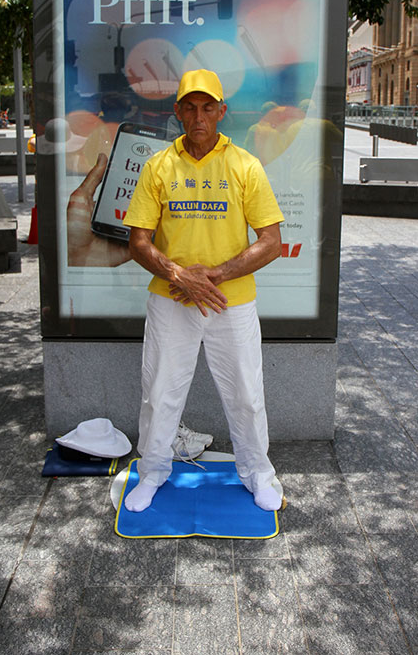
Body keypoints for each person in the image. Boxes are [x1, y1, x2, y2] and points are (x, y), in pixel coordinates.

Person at [122, 69, 284, 513]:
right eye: (189, 108)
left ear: (221, 112)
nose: (199, 116)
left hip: (230, 301)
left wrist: (210, 276)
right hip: (171, 300)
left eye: (208, 107)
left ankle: (258, 472)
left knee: (246, 393)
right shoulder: (159, 165)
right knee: (159, 392)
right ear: (177, 112)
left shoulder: (244, 165)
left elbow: (271, 241)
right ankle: (152, 471)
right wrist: (178, 274)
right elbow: (138, 241)